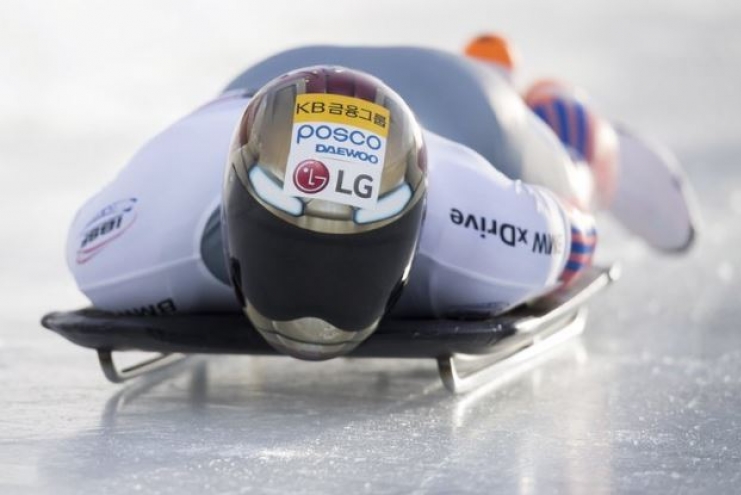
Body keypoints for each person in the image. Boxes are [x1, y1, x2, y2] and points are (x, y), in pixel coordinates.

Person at [66, 40, 696, 360]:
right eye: (290, 252)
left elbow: (572, 230)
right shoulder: (127, 246)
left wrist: (571, 174)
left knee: (575, 172)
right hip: (256, 94)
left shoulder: (491, 232)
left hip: (470, 111)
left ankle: (524, 85)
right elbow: (567, 245)